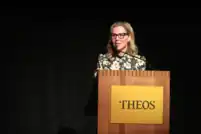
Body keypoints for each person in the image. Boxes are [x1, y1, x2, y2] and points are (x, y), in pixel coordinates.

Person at [84, 21, 147, 133]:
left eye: (121, 35)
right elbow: (98, 86)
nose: (117, 38)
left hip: (131, 112)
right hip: (108, 113)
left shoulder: (140, 62)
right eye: (114, 35)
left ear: (129, 37)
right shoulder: (103, 60)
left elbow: (141, 91)